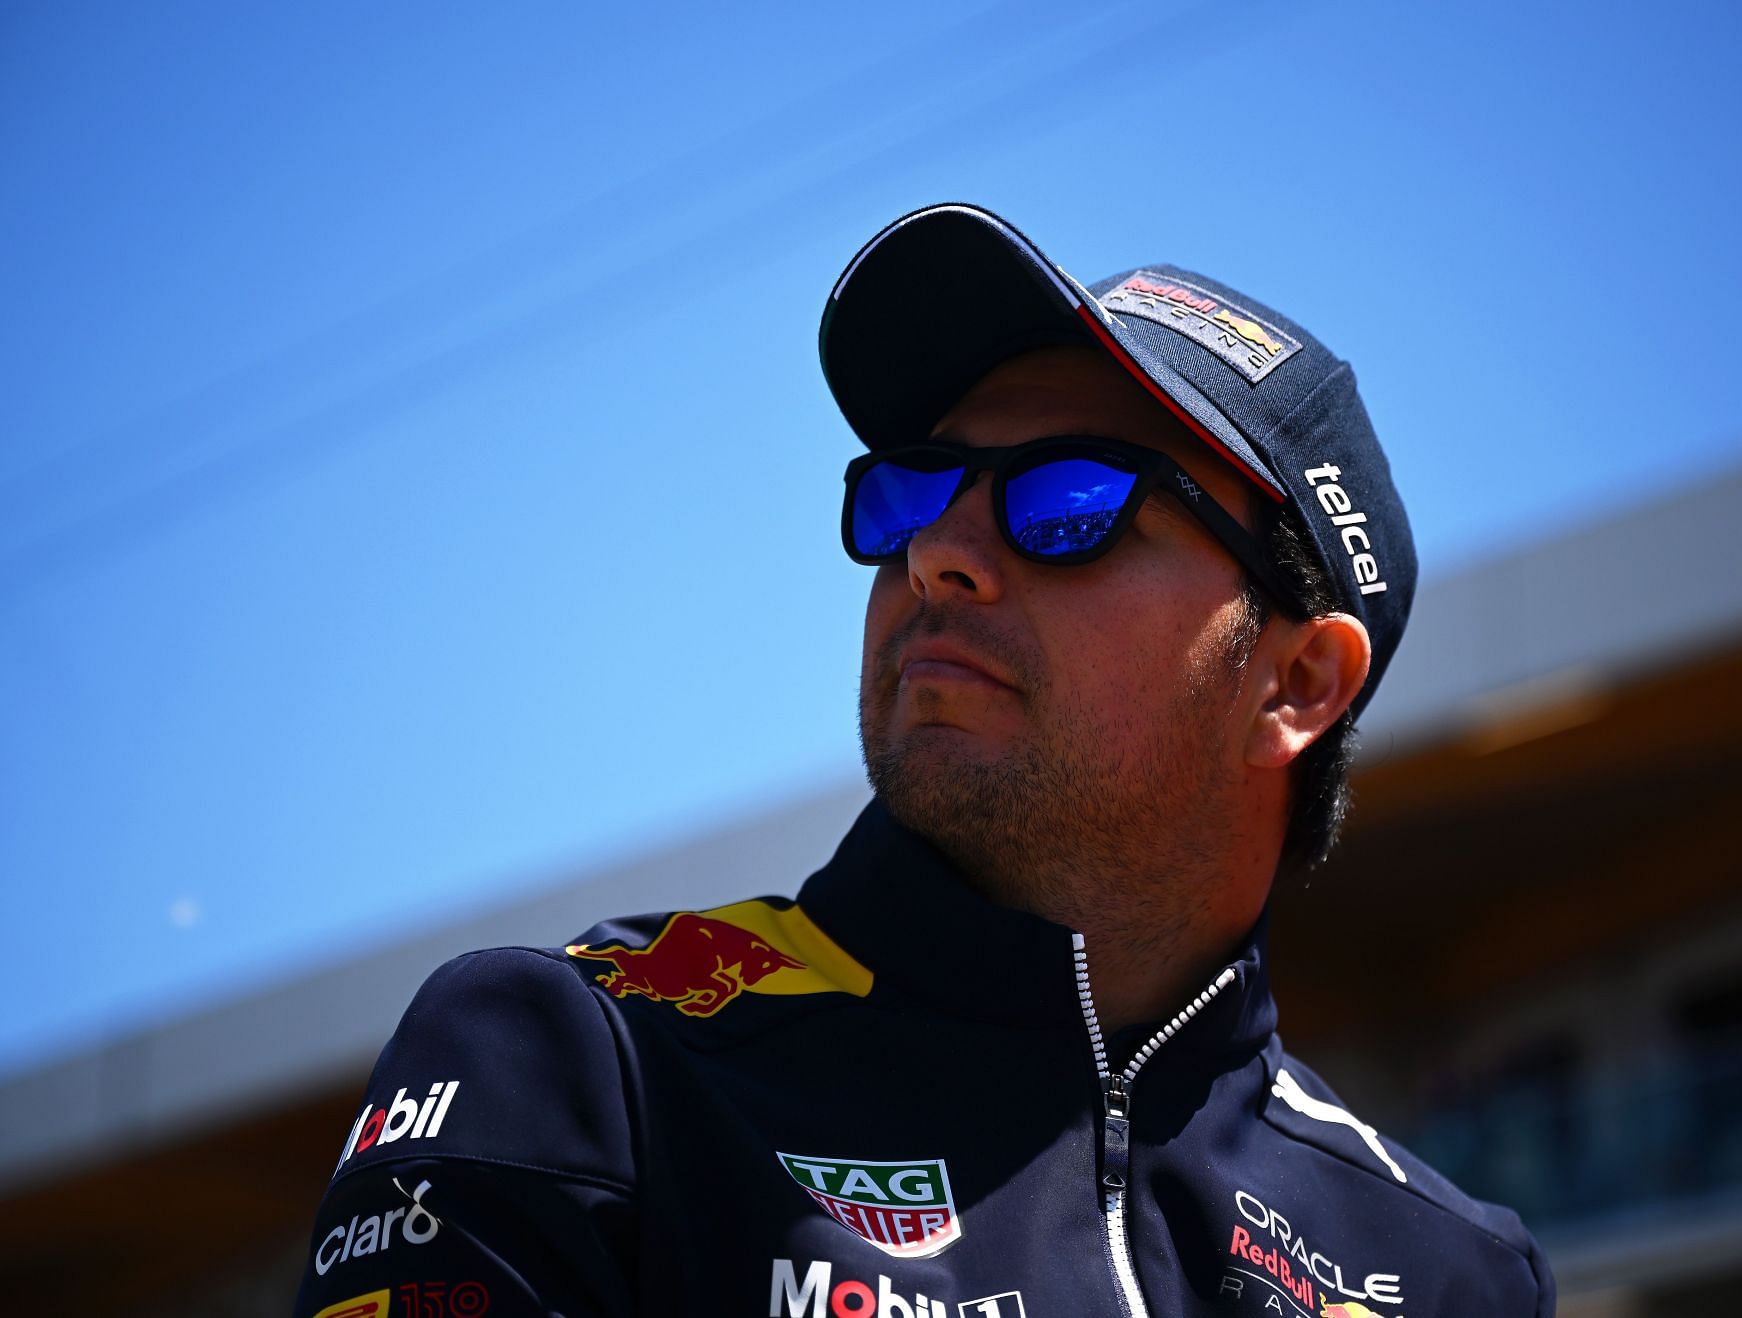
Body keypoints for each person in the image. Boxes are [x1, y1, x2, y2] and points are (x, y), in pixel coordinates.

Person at [293, 203, 1554, 1318]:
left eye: (1069, 500)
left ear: (1294, 683)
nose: (937, 552)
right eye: (913, 491)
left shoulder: (1450, 1270)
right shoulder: (589, 1058)